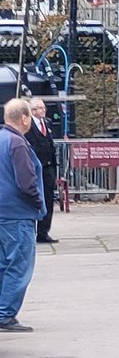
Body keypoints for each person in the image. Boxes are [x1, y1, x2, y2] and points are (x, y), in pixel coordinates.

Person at [0, 98, 47, 332]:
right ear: (25, 118)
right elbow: (26, 181)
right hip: (17, 214)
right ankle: (6, 314)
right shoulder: (17, 143)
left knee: (2, 264)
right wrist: (38, 203)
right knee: (19, 265)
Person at [25, 99, 58, 244]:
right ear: (33, 111)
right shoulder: (28, 125)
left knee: (48, 199)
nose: (43, 110)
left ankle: (43, 232)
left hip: (48, 168)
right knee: (33, 199)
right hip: (34, 168)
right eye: (40, 108)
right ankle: (31, 230)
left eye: (44, 108)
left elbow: (50, 145)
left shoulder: (47, 123)